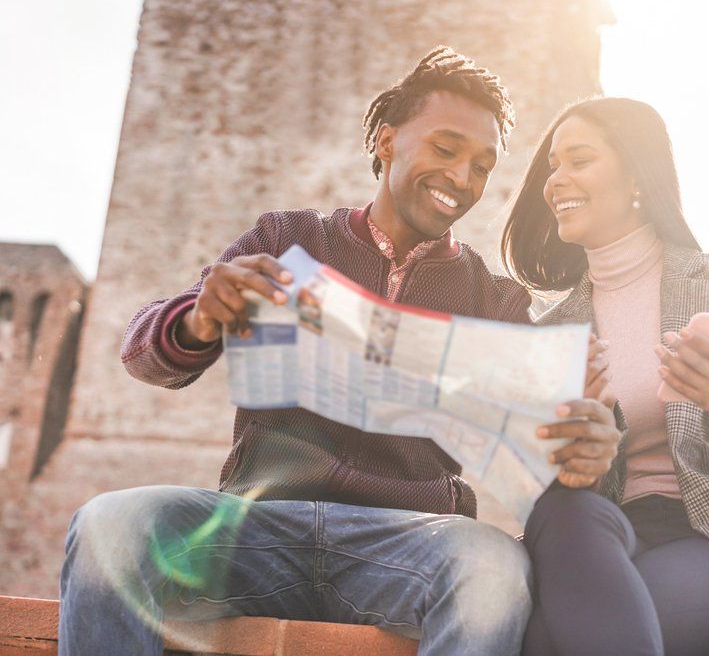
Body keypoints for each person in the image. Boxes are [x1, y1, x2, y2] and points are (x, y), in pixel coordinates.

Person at [57, 48, 619, 656]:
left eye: (482, 166)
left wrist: (584, 437)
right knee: (108, 525)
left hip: (406, 546)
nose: (462, 178)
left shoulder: (493, 299)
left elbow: (552, 436)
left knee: (494, 567)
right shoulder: (288, 240)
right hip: (256, 530)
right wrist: (199, 317)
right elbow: (144, 357)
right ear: (386, 141)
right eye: (446, 149)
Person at [503, 97, 709, 655]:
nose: (555, 180)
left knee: (547, 643)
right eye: (552, 165)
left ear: (635, 172)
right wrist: (580, 442)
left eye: (578, 160)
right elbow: (541, 497)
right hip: (595, 539)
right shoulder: (553, 329)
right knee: (565, 511)